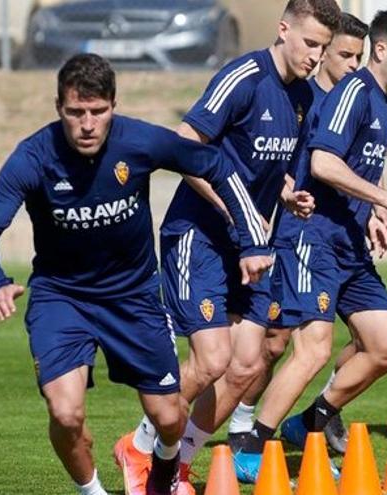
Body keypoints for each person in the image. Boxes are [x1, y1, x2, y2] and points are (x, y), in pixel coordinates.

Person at [0, 53, 269, 495]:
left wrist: (252, 241)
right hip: (61, 298)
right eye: (76, 112)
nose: (87, 124)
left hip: (134, 297)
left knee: (168, 418)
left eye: (98, 111)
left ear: (114, 106)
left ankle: (163, 468)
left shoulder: (138, 141)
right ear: (58, 108)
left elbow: (215, 165)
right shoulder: (32, 158)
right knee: (66, 414)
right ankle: (93, 491)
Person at [114, 2, 340, 494]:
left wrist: (288, 194)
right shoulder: (243, 77)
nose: (316, 56)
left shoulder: (303, 96)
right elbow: (185, 142)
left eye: (324, 48)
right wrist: (239, 212)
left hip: (252, 245)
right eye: (310, 44)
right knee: (213, 359)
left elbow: (269, 166)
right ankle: (139, 446)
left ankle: (177, 465)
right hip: (199, 235)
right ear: (283, 30)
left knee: (246, 367)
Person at [234, 9, 387, 483]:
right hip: (312, 239)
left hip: (348, 242)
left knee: (385, 347)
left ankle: (310, 423)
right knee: (313, 349)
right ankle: (255, 446)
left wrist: (374, 213)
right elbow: (323, 163)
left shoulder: (383, 102)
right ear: (381, 51)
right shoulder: (355, 93)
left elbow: (355, 170)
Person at [225, 11, 374, 457]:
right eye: (344, 54)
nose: (352, 64)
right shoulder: (301, 97)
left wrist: (375, 210)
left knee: (321, 341)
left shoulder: (348, 102)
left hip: (330, 236)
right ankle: (241, 426)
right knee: (272, 342)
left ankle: (296, 419)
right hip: (288, 234)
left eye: (358, 56)